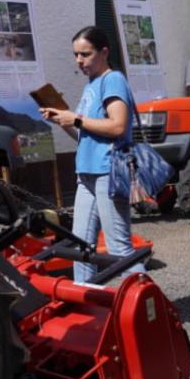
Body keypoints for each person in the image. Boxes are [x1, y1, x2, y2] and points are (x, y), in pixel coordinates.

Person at [41, 26, 137, 284]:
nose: (79, 61)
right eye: (76, 55)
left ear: (104, 52)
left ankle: (152, 308)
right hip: (87, 173)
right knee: (81, 248)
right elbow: (86, 135)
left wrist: (77, 119)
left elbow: (117, 126)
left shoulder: (112, 79)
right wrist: (64, 121)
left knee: (119, 249)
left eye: (85, 54)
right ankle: (84, 302)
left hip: (108, 173)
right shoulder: (92, 84)